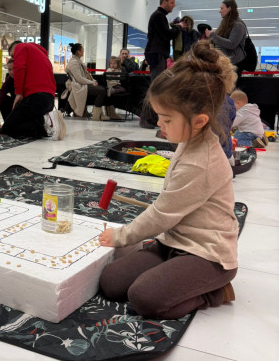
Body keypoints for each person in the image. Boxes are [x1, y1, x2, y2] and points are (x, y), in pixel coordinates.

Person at [99, 40, 239, 320]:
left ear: (199, 121)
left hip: (207, 254)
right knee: (112, 282)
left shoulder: (202, 162)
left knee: (144, 298)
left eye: (166, 119)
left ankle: (215, 291)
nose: (159, 125)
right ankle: (171, 274)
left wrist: (121, 236)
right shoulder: (189, 140)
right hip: (173, 242)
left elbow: (162, 213)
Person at [1, 40, 65, 140]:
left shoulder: (20, 47)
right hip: (48, 99)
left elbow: (19, 69)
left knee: (7, 128)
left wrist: (19, 93)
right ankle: (42, 126)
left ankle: (45, 120)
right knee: (28, 128)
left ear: (15, 47)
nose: (14, 58)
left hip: (36, 97)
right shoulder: (40, 55)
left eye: (13, 55)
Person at [140, 0, 180, 128]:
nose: (173, 5)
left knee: (157, 87)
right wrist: (178, 28)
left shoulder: (160, 16)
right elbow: (166, 34)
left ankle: (150, 118)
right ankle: (146, 118)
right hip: (156, 53)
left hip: (157, 53)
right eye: (172, 3)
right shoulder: (158, 16)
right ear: (164, 2)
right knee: (155, 87)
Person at [65, 42, 110, 121]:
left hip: (82, 84)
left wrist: (93, 81)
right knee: (101, 91)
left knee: (102, 89)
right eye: (82, 50)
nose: (83, 51)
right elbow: (79, 79)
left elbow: (84, 76)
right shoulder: (74, 63)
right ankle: (97, 115)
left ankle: (99, 114)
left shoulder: (77, 61)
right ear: (78, 52)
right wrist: (92, 82)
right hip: (78, 86)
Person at [210, 0, 246, 71]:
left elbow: (232, 44)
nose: (220, 11)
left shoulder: (238, 25)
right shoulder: (226, 24)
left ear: (229, 8)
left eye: (222, 8)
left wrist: (213, 36)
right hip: (225, 62)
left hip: (233, 63)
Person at [104, 56, 125, 120]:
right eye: (111, 63)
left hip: (116, 84)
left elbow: (118, 78)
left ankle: (113, 90)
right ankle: (111, 90)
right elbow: (107, 77)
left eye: (114, 63)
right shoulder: (109, 70)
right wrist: (112, 73)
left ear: (118, 64)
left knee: (123, 89)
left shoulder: (119, 70)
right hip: (110, 84)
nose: (112, 65)